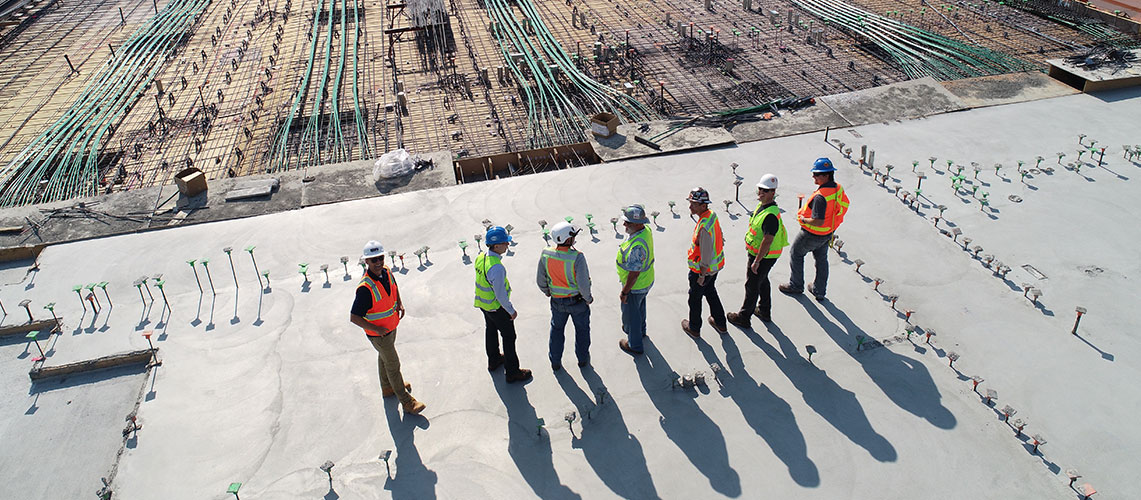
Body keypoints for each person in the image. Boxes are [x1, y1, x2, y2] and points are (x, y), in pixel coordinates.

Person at [349, 240, 425, 415]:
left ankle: (387, 387)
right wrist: (376, 330)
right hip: (379, 335)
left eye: (380, 258)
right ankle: (407, 402)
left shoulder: (387, 272)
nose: (378, 263)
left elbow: (394, 287)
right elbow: (354, 317)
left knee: (384, 358)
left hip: (390, 327)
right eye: (373, 260)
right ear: (366, 262)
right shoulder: (365, 288)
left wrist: (400, 303)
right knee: (393, 364)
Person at [780, 158, 850, 301]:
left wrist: (803, 219)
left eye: (817, 174)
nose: (814, 177)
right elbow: (841, 207)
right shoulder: (838, 188)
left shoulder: (820, 197)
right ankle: (819, 290)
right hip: (828, 232)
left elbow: (818, 221)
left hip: (812, 234)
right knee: (822, 259)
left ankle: (796, 285)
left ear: (826, 176)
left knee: (796, 254)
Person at [728, 174, 788, 327]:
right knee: (762, 280)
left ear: (773, 193)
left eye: (765, 191)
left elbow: (767, 240)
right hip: (762, 255)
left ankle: (744, 317)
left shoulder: (770, 216)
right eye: (760, 189)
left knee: (752, 285)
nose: (761, 193)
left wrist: (757, 261)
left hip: (763, 256)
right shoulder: (763, 207)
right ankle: (764, 310)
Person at [475, 226, 533, 383]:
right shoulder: (497, 268)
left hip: (484, 304)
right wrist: (511, 310)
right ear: (496, 245)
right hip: (497, 308)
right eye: (505, 243)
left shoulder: (481, 257)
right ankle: (512, 372)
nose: (508, 245)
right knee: (509, 336)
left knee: (491, 330)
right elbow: (500, 294)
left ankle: (493, 360)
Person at [536, 221, 593, 371]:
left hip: (556, 302)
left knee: (556, 330)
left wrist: (547, 291)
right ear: (568, 240)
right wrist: (588, 298)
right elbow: (583, 284)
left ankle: (555, 361)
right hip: (577, 302)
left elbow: (540, 279)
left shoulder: (546, 254)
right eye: (573, 236)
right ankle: (582, 359)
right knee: (582, 331)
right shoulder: (577, 257)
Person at [682, 187, 728, 337]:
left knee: (694, 299)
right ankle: (720, 323)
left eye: (693, 204)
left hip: (702, 272)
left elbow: (706, 253)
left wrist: (702, 275)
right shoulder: (711, 216)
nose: (690, 206)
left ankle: (694, 328)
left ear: (703, 205)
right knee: (710, 292)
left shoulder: (704, 227)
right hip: (714, 269)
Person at [616, 205, 655, 355]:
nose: (625, 225)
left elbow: (634, 273)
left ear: (638, 224)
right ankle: (641, 331)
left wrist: (625, 292)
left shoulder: (637, 247)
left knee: (631, 315)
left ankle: (635, 344)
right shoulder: (646, 231)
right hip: (646, 281)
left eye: (628, 223)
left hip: (636, 286)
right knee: (639, 308)